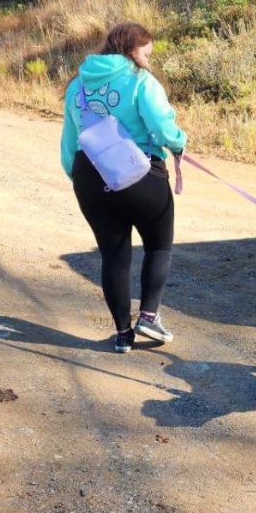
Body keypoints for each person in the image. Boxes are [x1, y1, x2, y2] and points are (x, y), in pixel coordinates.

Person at [60, 22, 188, 352]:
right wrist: (178, 143)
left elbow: (69, 143)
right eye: (147, 52)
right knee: (159, 244)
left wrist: (82, 179)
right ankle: (148, 316)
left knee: (114, 255)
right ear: (132, 49)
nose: (148, 58)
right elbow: (161, 125)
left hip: (89, 174)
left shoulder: (77, 85)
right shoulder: (139, 79)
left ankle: (122, 335)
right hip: (137, 170)